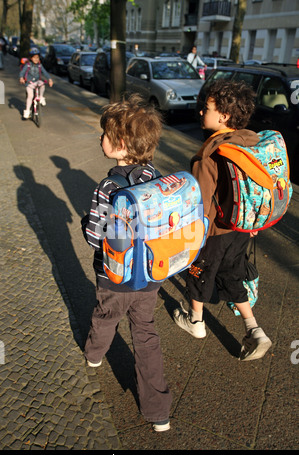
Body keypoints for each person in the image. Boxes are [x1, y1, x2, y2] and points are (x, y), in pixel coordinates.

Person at [82, 94, 172, 432]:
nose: (101, 139)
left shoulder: (109, 186)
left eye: (104, 134)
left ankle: (94, 354)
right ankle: (159, 411)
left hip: (115, 276)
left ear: (119, 144)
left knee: (106, 316)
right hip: (150, 274)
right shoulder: (158, 177)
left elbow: (94, 237)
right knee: (146, 332)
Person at [173, 79, 272, 362]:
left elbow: (201, 202)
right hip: (242, 227)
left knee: (199, 273)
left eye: (207, 108)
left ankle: (195, 322)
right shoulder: (251, 142)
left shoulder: (210, 153)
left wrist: (190, 234)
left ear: (223, 116)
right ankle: (254, 329)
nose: (201, 112)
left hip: (215, 229)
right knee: (231, 274)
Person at [19, 47, 53, 119]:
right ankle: (27, 110)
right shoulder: (28, 65)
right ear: (31, 58)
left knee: (42, 84)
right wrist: (21, 78)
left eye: (37, 57)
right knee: (30, 96)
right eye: (34, 57)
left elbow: (45, 73)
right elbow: (22, 73)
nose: (36, 59)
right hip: (29, 83)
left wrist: (50, 79)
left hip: (37, 82)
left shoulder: (40, 65)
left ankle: (41, 97)